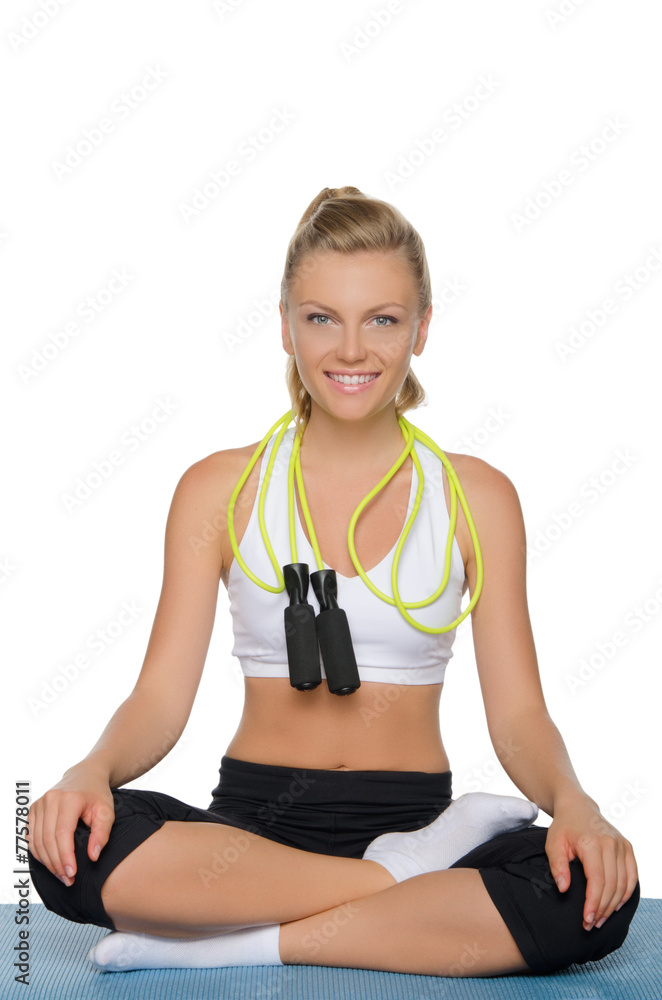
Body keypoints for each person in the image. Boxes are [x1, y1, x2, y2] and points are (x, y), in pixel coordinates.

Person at [28, 186, 640, 978]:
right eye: (322, 318)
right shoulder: (219, 489)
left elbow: (519, 712)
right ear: (285, 325)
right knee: (64, 851)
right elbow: (159, 700)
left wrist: (576, 805)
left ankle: (238, 942)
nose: (351, 351)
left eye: (382, 319)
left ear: (421, 328)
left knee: (593, 895)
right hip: (250, 836)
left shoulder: (475, 498)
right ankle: (393, 886)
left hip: (410, 811)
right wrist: (91, 772)